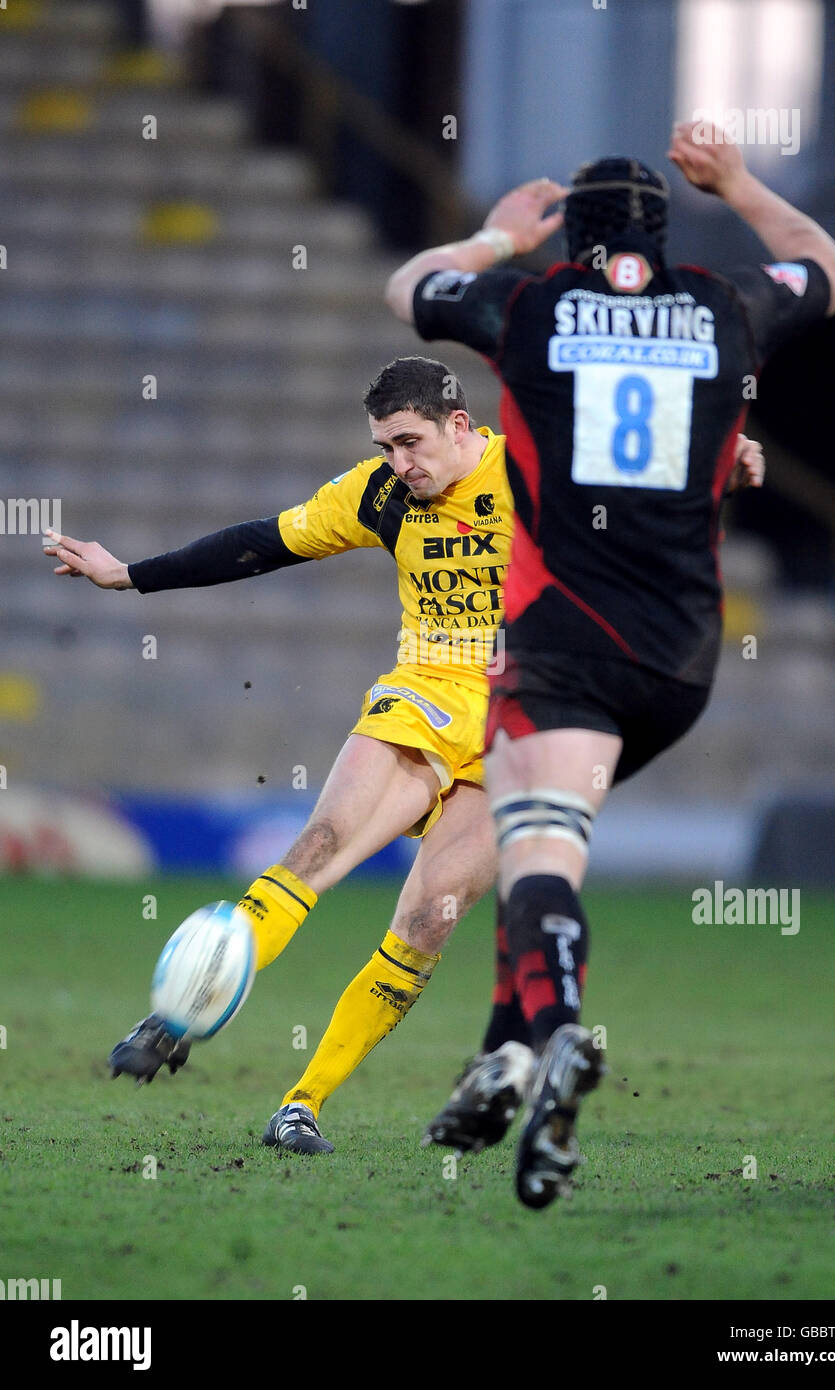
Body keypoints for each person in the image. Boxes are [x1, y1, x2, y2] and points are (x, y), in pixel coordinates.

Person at [385, 122, 835, 1208]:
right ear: (663, 228)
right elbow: (830, 267)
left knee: (537, 846)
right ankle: (501, 1056)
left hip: (564, 647)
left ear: (572, 242)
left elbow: (407, 285)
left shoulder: (534, 305)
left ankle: (548, 1038)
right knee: (537, 840)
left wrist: (496, 240)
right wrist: (738, 180)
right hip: (683, 659)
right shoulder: (724, 303)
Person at [43, 356, 512, 1154]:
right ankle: (178, 1010)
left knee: (430, 918)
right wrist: (132, 577)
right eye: (384, 445)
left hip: (520, 729)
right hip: (427, 694)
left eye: (409, 442)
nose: (398, 463)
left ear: (458, 426)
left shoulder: (531, 481)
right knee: (320, 849)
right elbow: (264, 542)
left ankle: (303, 1104)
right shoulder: (380, 494)